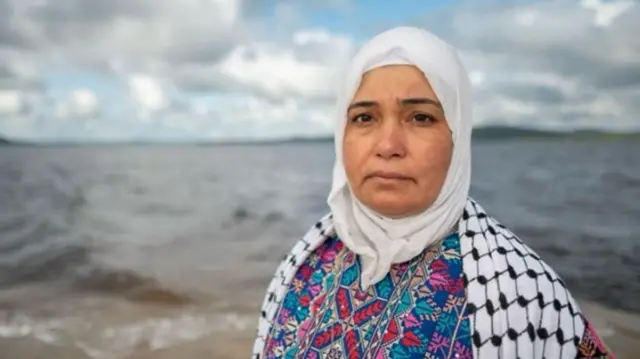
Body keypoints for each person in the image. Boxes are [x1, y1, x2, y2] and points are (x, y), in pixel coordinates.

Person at [251, 26, 613, 359]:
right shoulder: (306, 260)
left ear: (457, 138)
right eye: (364, 118)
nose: (388, 145)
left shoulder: (523, 292)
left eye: (420, 118)